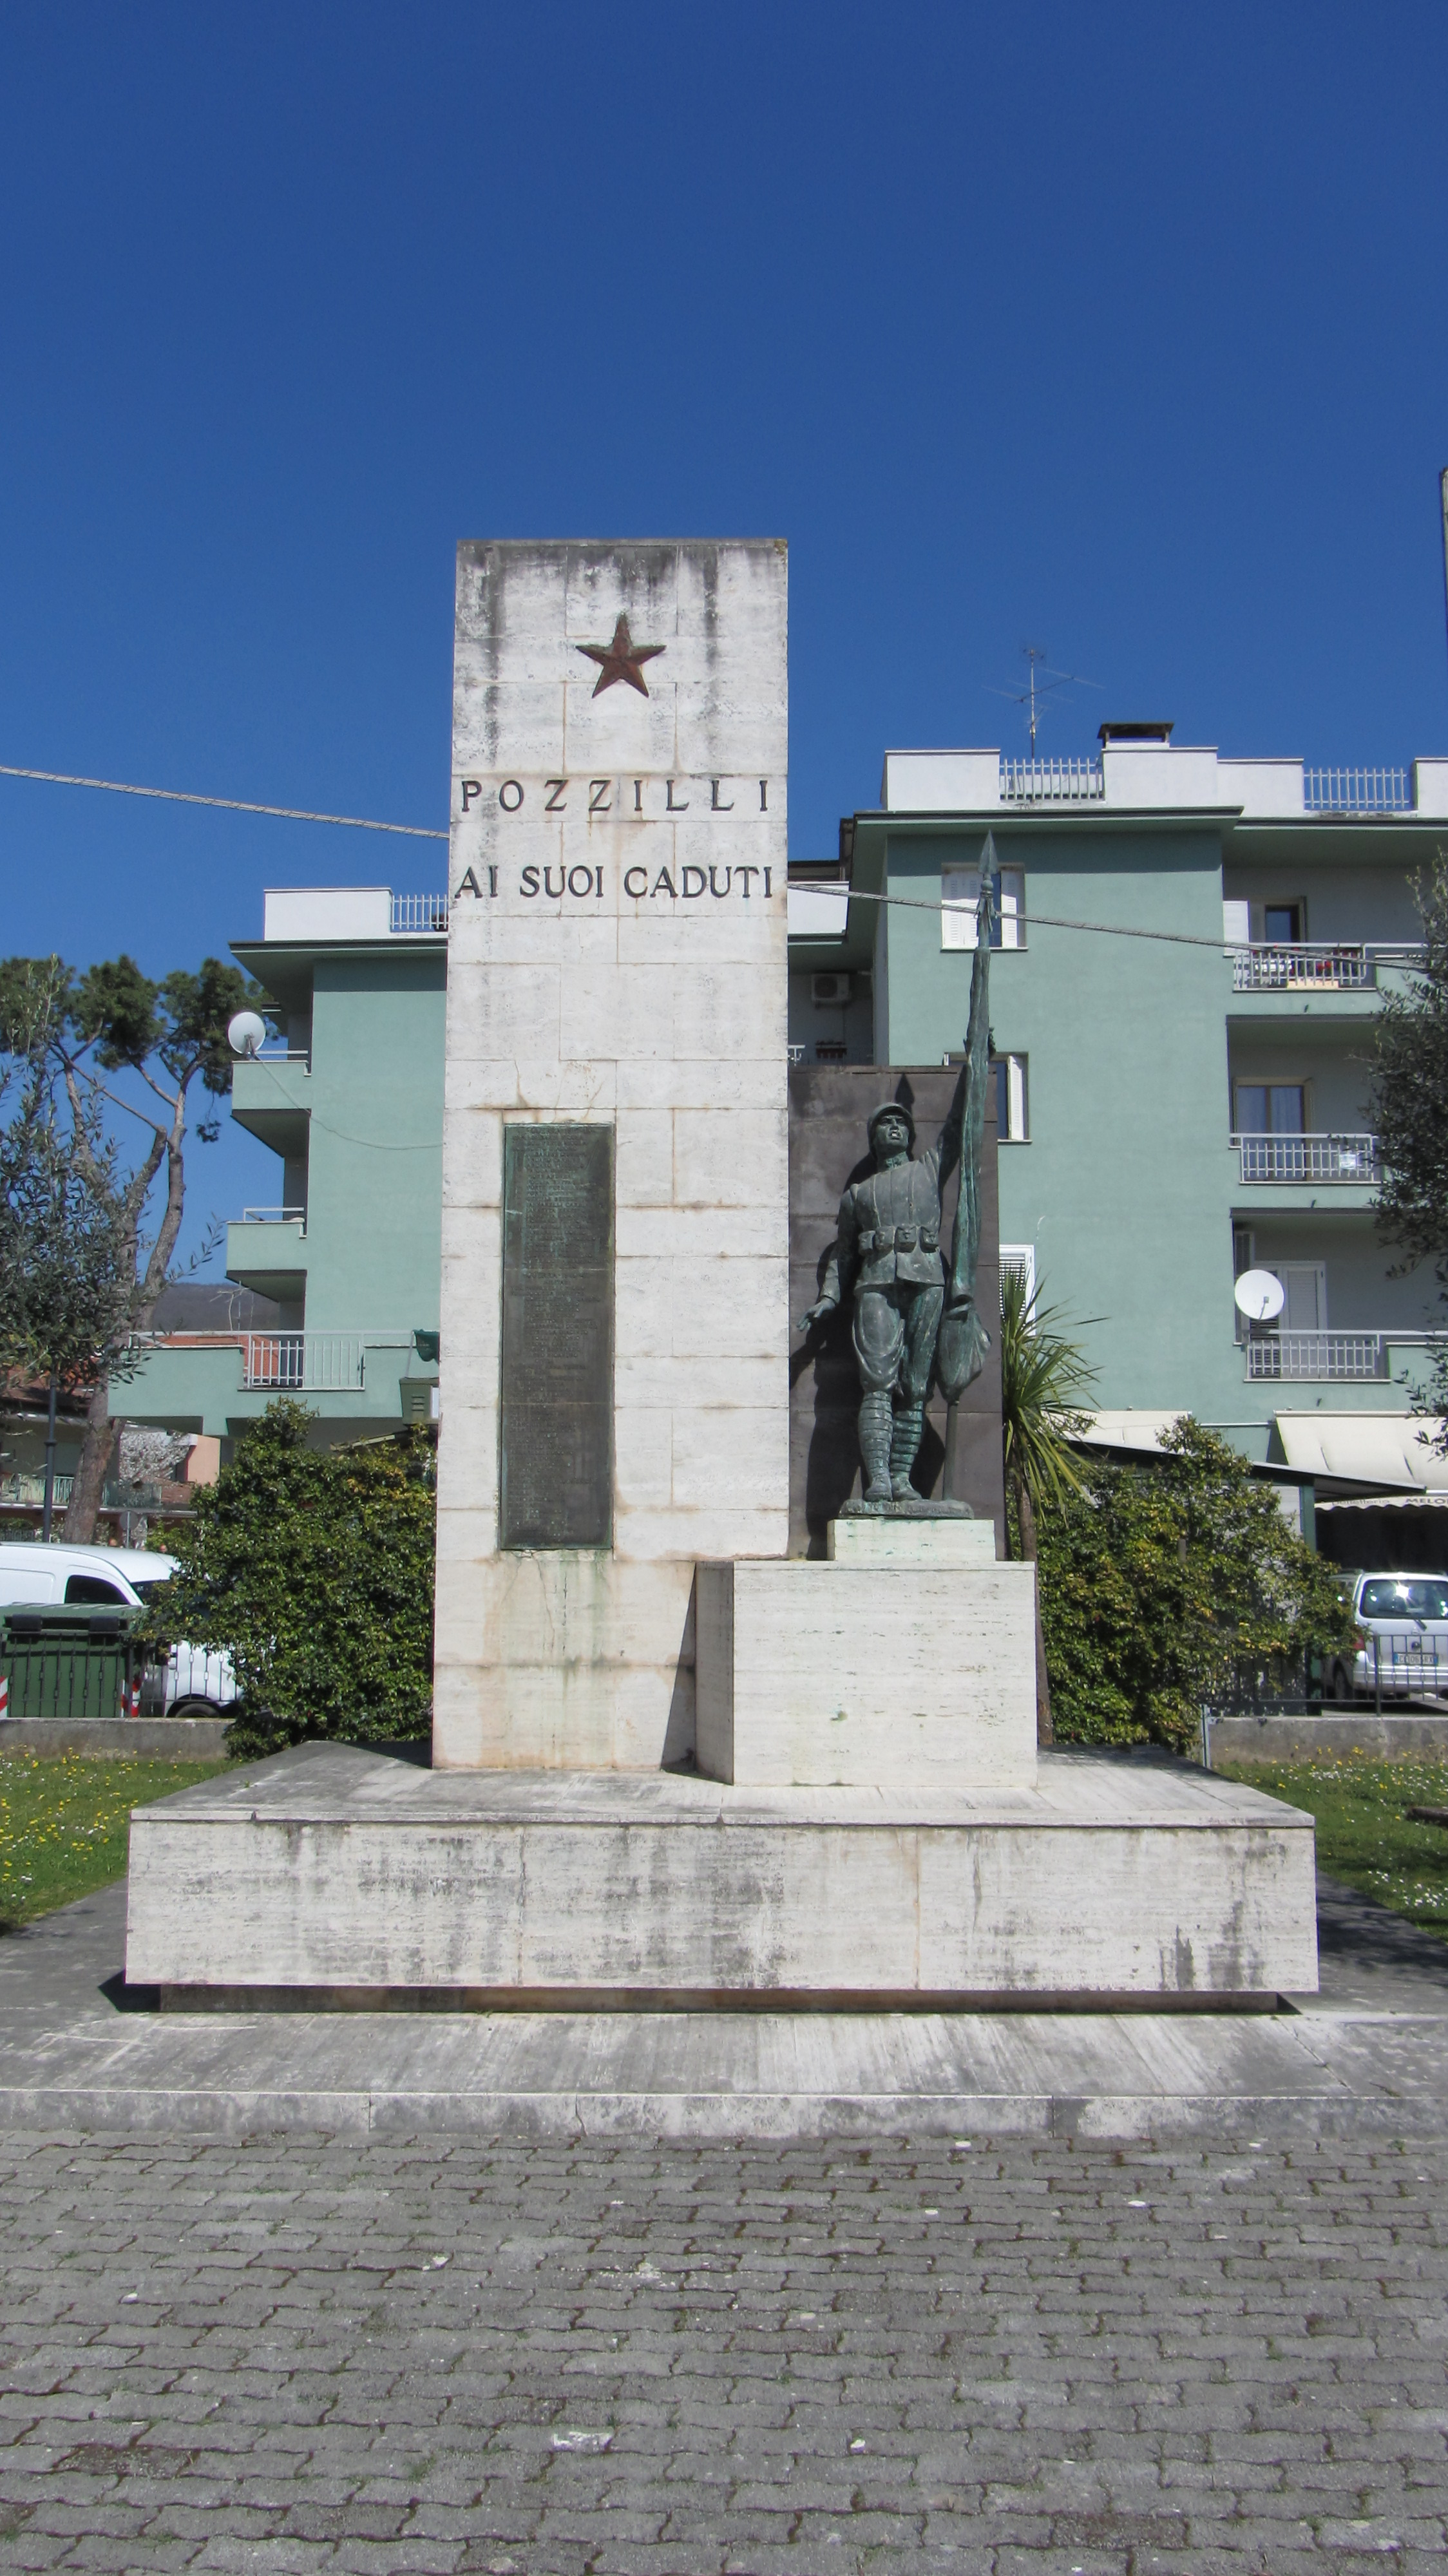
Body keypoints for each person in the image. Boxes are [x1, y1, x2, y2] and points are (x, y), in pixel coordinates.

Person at [798, 1074, 971, 1506]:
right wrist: (829, 1298)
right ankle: (877, 1479)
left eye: (901, 1124)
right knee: (876, 1382)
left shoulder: (930, 1170)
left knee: (916, 1387)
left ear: (911, 1136)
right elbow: (842, 1254)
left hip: (927, 1283)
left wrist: (973, 1067)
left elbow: (956, 1125)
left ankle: (901, 1479)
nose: (894, 1128)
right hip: (875, 1284)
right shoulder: (857, 1195)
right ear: (873, 1137)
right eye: (884, 1124)